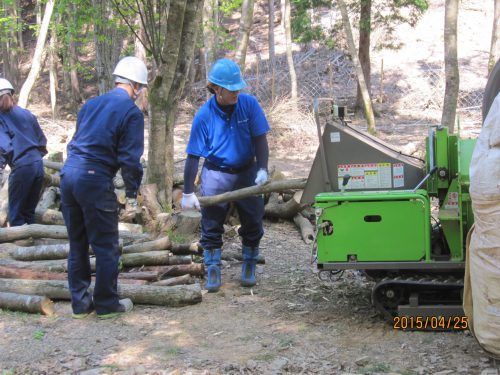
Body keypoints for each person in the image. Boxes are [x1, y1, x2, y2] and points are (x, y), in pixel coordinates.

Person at [60, 56, 147, 319]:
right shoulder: (132, 113)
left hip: (69, 174)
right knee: (106, 245)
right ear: (136, 86)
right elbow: (130, 159)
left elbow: (80, 139)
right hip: (93, 179)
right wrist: (132, 192)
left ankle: (80, 304)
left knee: (77, 244)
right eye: (141, 88)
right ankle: (107, 304)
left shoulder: (91, 104)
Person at [182, 58, 270, 292]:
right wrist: (188, 192)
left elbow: (260, 139)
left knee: (253, 219)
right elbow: (193, 156)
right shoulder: (204, 116)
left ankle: (249, 262)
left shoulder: (248, 105)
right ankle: (212, 266)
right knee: (211, 223)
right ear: (216, 89)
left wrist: (262, 168)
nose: (236, 92)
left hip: (246, 172)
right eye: (231, 89)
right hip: (216, 174)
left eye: (238, 87)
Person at [0, 78, 47, 227]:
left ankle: (18, 246)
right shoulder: (26, 113)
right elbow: (42, 140)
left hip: (22, 167)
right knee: (28, 212)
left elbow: (5, 147)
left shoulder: (1, 118)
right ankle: (30, 245)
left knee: (16, 215)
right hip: (38, 166)